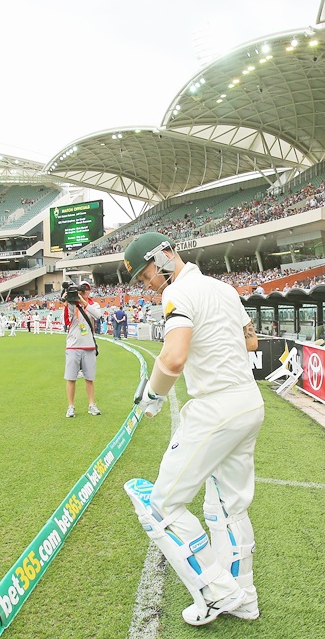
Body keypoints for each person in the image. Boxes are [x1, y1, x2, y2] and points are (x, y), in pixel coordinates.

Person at [122, 232, 264, 626]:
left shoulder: (178, 294)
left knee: (162, 507)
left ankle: (219, 593)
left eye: (146, 274)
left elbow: (173, 359)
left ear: (164, 256)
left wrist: (152, 396)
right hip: (248, 401)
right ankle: (244, 599)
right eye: (140, 281)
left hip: (215, 407)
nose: (146, 284)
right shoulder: (223, 288)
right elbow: (250, 340)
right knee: (226, 506)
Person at [62, 281, 103, 418]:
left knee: (89, 378)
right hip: (73, 345)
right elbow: (68, 320)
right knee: (71, 377)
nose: (83, 292)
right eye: (81, 289)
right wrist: (69, 301)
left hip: (89, 345)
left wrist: (83, 302)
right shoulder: (73, 303)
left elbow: (97, 315)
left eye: (85, 289)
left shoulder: (93, 304)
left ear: (89, 291)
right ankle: (70, 406)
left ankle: (92, 404)